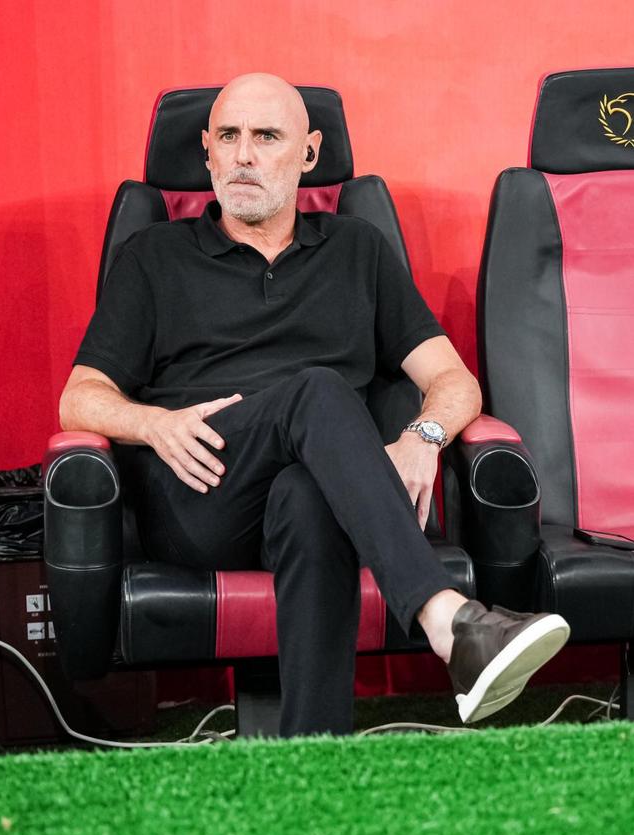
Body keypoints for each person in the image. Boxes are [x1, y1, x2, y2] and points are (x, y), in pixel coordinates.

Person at [59, 73, 570, 737]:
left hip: (317, 490)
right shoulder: (153, 256)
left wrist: (423, 437)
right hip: (202, 492)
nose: (243, 155)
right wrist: (151, 423)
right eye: (228, 137)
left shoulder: (358, 250)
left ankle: (315, 755)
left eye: (266, 136)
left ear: (309, 153)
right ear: (206, 152)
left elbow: (454, 380)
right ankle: (449, 619)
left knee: (308, 494)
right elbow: (80, 398)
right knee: (320, 388)